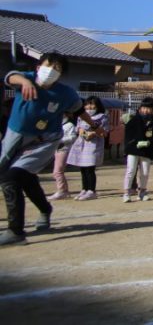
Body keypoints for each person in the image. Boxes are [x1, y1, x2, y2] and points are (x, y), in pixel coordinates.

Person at [1, 52, 95, 246]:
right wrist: (25, 82)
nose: (51, 71)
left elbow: (78, 110)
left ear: (60, 75)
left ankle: (15, 231)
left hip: (44, 141)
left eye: (57, 69)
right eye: (48, 66)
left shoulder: (65, 93)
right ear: (38, 67)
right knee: (24, 178)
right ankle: (45, 209)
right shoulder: (26, 78)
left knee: (12, 177)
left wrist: (94, 126)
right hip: (15, 135)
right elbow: (10, 77)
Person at [122, 96, 153, 202]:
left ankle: (142, 192)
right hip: (133, 150)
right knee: (130, 170)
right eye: (144, 108)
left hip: (147, 151)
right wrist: (133, 143)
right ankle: (126, 192)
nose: (146, 110)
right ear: (140, 108)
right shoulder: (134, 120)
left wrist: (150, 142)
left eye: (149, 108)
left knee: (145, 172)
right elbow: (128, 135)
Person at [67, 97, 108, 200]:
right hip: (82, 144)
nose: (89, 107)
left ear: (97, 106)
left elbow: (104, 131)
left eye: (92, 104)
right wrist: (82, 132)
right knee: (83, 168)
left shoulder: (102, 117)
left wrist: (93, 133)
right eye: (87, 104)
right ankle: (84, 189)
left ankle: (91, 190)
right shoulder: (81, 116)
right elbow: (78, 128)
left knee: (90, 168)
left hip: (93, 145)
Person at [47, 113, 78, 201]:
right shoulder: (57, 125)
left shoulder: (69, 125)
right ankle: (64, 190)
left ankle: (62, 191)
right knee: (58, 171)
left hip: (64, 150)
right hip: (57, 150)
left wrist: (60, 140)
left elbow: (73, 137)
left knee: (58, 172)